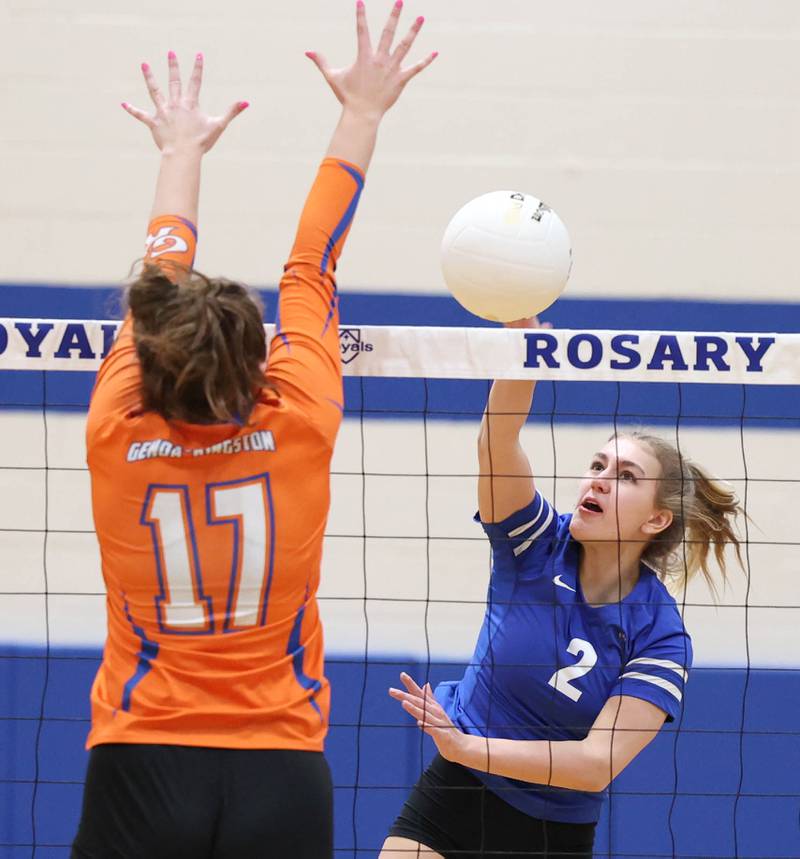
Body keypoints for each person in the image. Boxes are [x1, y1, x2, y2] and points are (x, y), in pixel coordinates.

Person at [71, 4, 436, 857]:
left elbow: (159, 271)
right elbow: (312, 263)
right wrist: (362, 112)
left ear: (151, 349)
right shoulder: (301, 414)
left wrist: (178, 152)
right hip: (279, 761)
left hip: (140, 751)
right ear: (256, 358)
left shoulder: (116, 429)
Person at [382, 319, 744, 859]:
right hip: (454, 796)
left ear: (656, 521)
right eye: (597, 464)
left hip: (550, 833)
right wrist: (519, 344)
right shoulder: (534, 546)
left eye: (625, 476)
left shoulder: (660, 636)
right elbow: (496, 440)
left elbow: (597, 764)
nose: (597, 479)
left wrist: (469, 746)